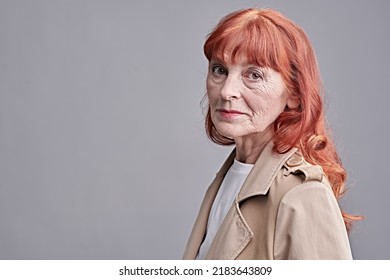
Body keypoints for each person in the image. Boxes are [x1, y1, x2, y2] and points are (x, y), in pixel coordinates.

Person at [183, 8, 360, 260]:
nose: (226, 92)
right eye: (220, 70)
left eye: (253, 75)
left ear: (294, 94)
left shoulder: (303, 193)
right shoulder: (229, 176)